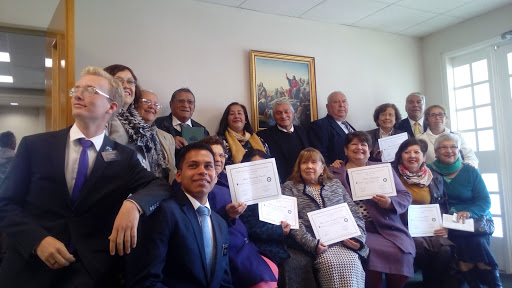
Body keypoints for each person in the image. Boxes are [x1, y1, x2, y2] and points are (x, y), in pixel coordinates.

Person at [0, 66, 170, 287]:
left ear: (111, 106)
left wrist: (133, 204)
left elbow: (160, 186)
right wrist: (37, 240)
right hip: (29, 268)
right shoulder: (34, 146)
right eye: (76, 89)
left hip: (90, 273)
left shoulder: (123, 157)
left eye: (90, 90)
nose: (78, 94)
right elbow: (5, 204)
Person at [125, 142, 232, 287]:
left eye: (208, 166)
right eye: (193, 165)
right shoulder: (164, 213)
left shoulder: (221, 224)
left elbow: (224, 282)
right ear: (179, 176)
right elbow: (145, 280)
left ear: (215, 177)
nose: (203, 171)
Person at [329, 131, 414, 288]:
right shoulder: (332, 173)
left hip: (388, 227)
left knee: (403, 255)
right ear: (345, 150)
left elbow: (405, 195)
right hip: (354, 230)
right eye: (354, 144)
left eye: (364, 144)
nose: (359, 147)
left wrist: (390, 203)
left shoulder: (383, 168)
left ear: (369, 150)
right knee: (370, 259)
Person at [198, 137, 279, 288]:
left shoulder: (228, 178)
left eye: (221, 155)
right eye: (212, 154)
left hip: (247, 243)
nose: (218, 159)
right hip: (228, 249)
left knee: (272, 268)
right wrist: (227, 214)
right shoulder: (199, 182)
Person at [281, 147, 368, 287]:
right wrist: (312, 244)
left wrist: (358, 239)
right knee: (330, 264)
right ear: (299, 167)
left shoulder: (335, 184)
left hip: (344, 241)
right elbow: (293, 221)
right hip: (316, 244)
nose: (309, 166)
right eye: (304, 163)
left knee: (352, 261)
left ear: (322, 168)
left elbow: (355, 214)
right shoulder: (290, 187)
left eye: (314, 162)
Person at [430, 134, 502, 288]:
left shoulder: (470, 171)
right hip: (448, 222)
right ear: (436, 152)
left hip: (475, 221)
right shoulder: (430, 171)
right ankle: (480, 283)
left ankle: (492, 284)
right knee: (469, 240)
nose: (449, 150)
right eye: (444, 147)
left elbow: (485, 201)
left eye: (453, 147)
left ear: (459, 150)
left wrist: (468, 212)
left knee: (475, 240)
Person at [391, 138, 455, 288]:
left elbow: (443, 205)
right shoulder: (392, 176)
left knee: (445, 249)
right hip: (402, 226)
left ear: (424, 157)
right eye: (407, 152)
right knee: (420, 247)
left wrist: (445, 226)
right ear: (401, 156)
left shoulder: (435, 177)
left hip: (430, 226)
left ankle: (429, 283)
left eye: (416, 152)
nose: (412, 155)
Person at [105, 65, 173, 182]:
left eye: (131, 82)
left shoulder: (140, 126)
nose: (126, 85)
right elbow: (102, 157)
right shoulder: (105, 116)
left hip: (149, 189)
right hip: (120, 191)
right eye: (119, 81)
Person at [257, 98, 310, 183]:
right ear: (274, 116)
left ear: (293, 114)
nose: (283, 116)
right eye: (278, 113)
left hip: (305, 181)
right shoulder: (263, 136)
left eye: (286, 112)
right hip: (280, 184)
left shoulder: (305, 132)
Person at [309, 91, 356, 165]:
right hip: (336, 172)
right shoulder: (319, 125)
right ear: (328, 107)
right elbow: (319, 155)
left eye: (344, 101)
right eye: (336, 102)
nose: (341, 105)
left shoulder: (349, 126)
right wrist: (331, 167)